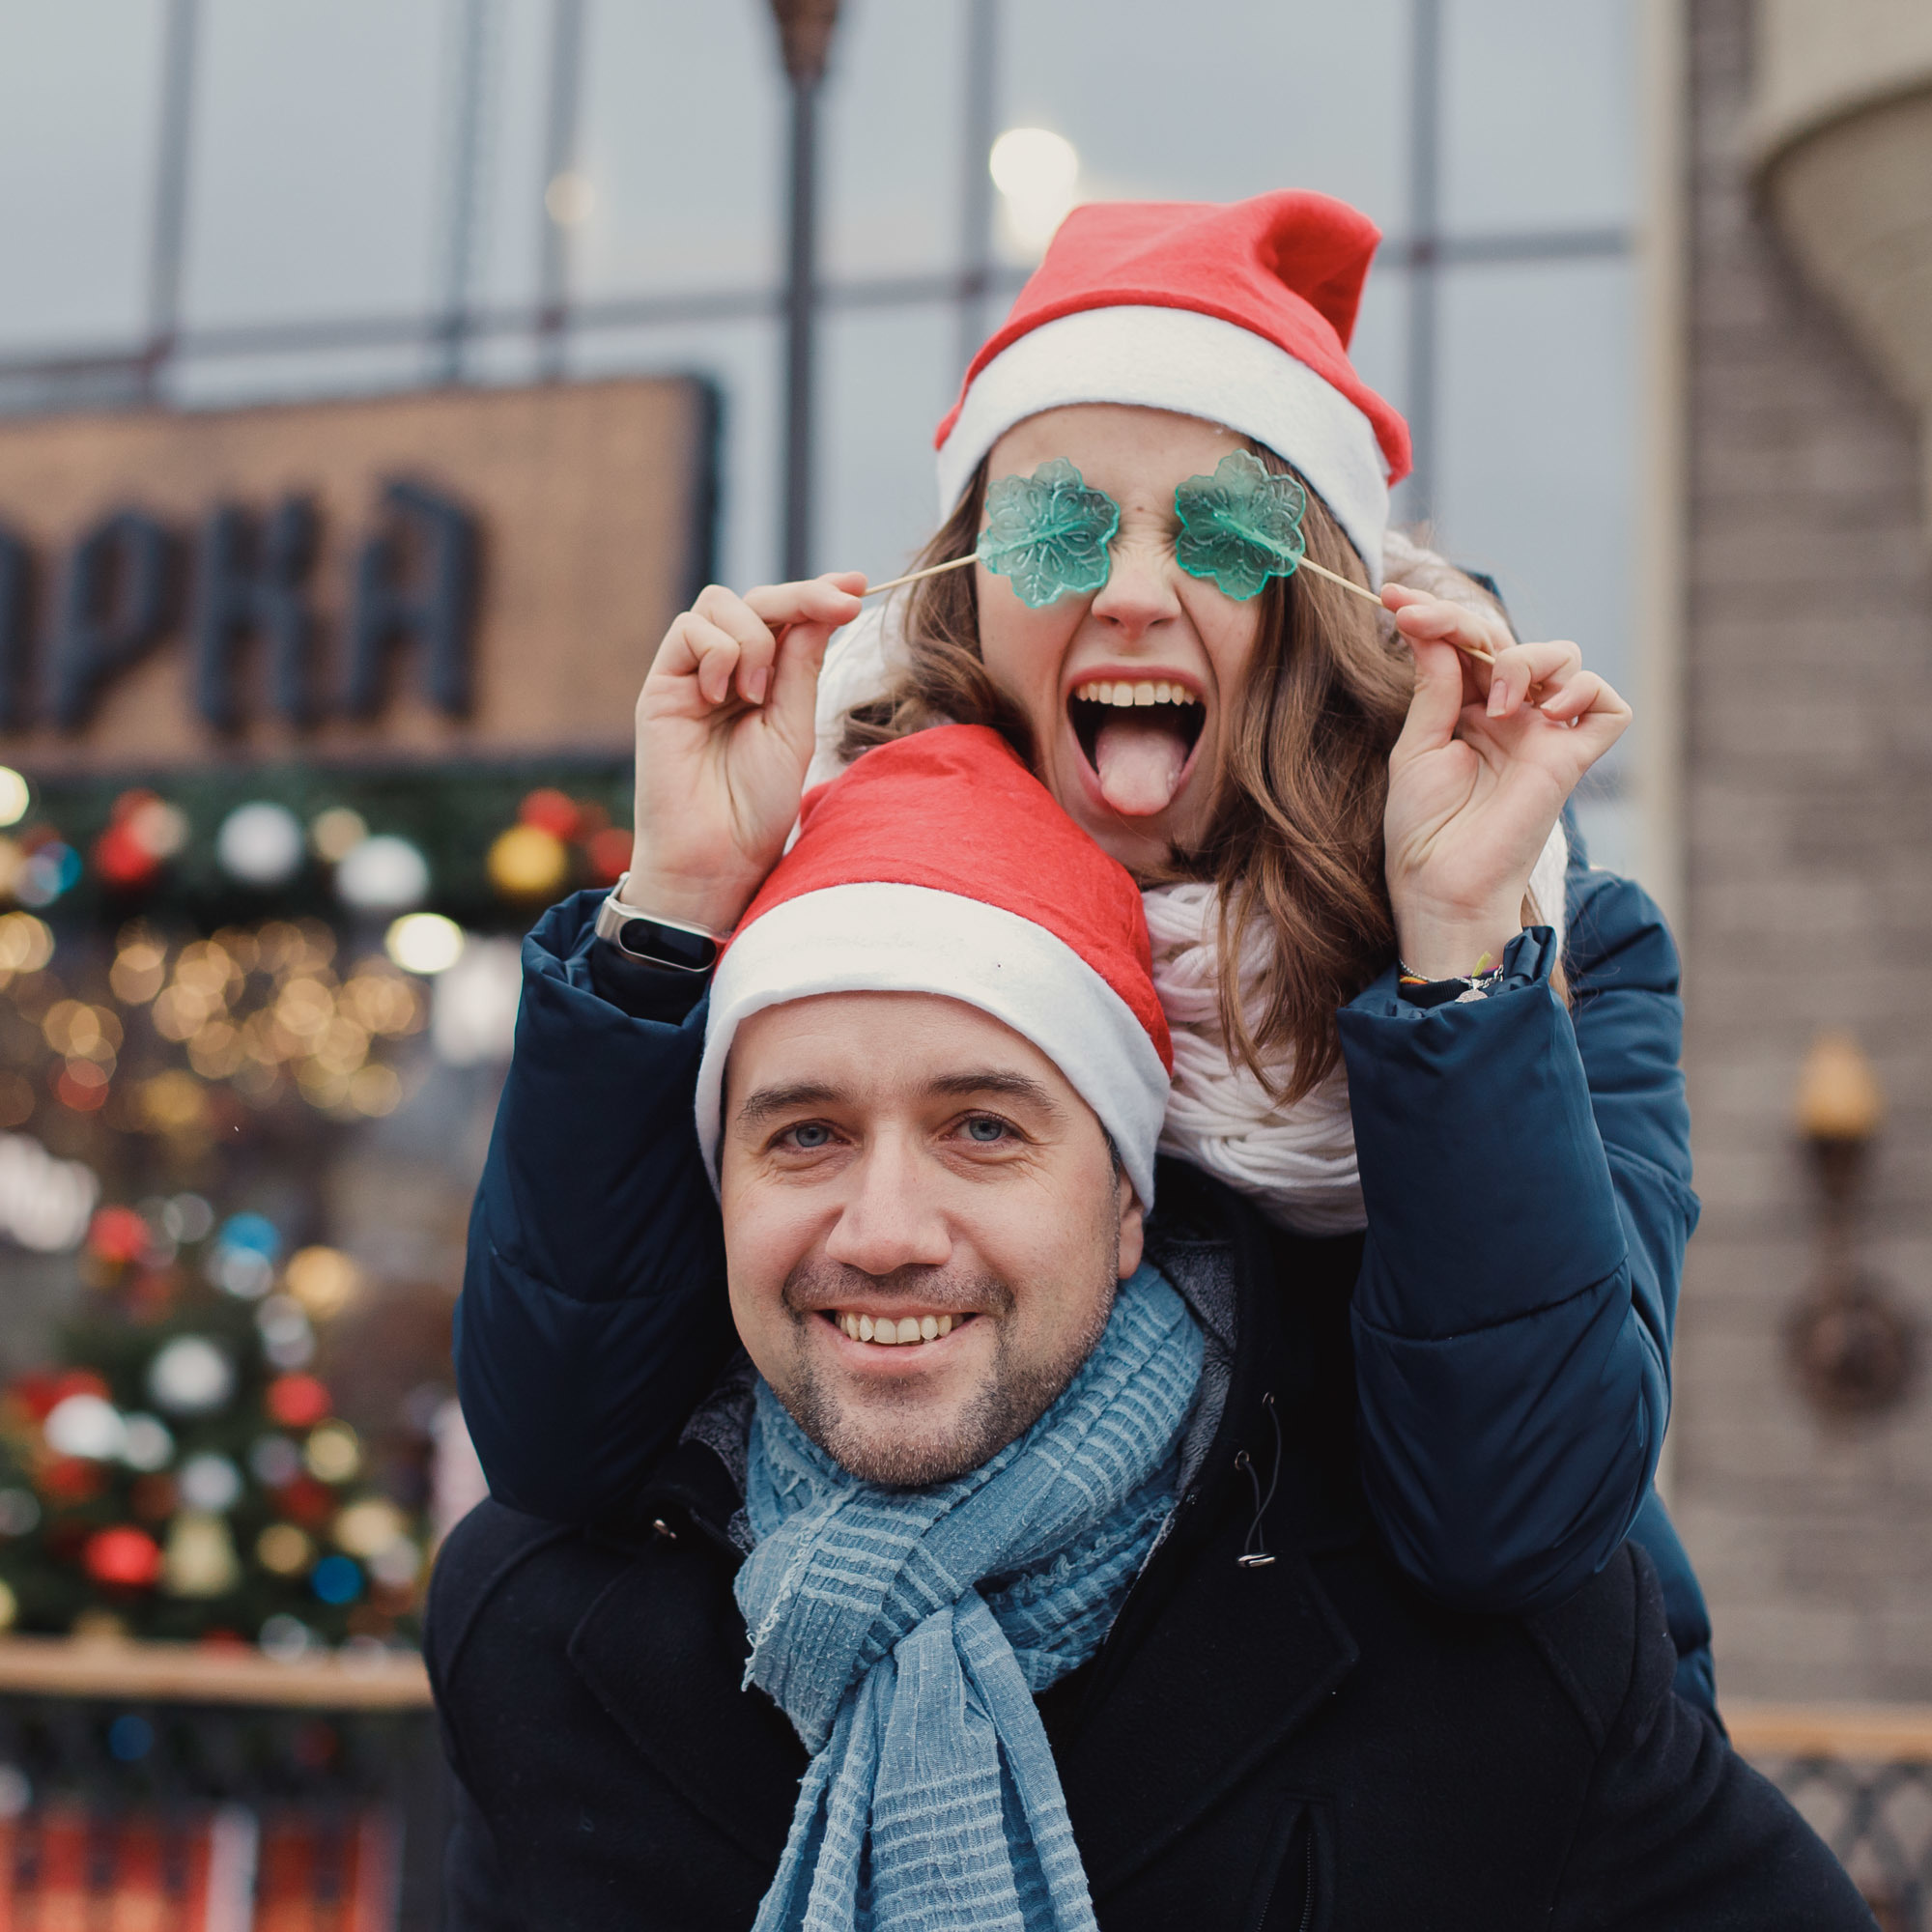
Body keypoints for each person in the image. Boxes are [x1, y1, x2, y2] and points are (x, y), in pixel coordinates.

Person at [454, 187, 1716, 1706]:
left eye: (1222, 529)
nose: (1127, 593)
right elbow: (559, 1433)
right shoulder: (815, 879)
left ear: (1324, 585)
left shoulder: (1553, 937)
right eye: (1053, 526)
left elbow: (1517, 1521)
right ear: (972, 580)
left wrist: (1454, 963)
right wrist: (670, 910)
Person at [428, 726, 1867, 1931]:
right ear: (718, 1187)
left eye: (981, 1128)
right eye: (803, 1136)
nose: (882, 1230)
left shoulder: (1497, 1666)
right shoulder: (537, 1630)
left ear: (1127, 1205)